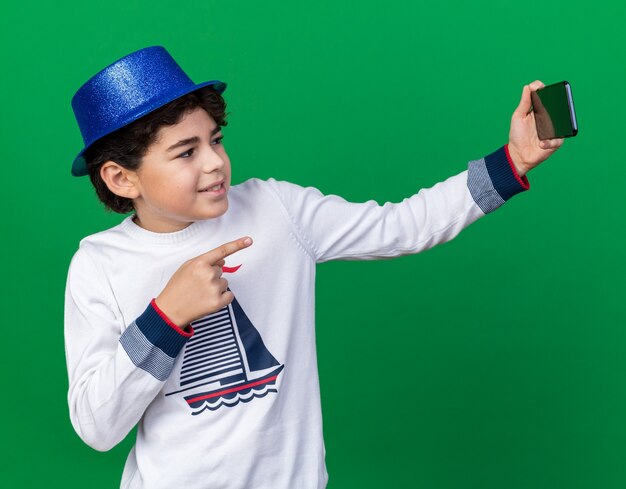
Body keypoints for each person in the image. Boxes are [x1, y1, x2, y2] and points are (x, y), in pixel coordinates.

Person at [64, 46, 562, 489]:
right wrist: (166, 316)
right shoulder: (100, 264)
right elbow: (97, 427)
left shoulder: (277, 210)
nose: (215, 162)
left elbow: (404, 226)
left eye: (215, 140)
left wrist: (512, 160)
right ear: (121, 178)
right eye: (186, 152)